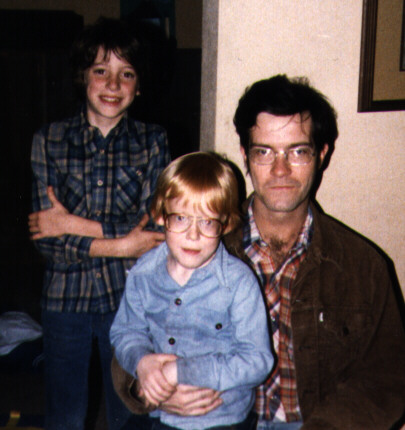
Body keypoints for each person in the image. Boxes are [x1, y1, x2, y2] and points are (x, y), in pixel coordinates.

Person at [111, 75, 405, 430]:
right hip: (207, 421)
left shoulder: (363, 266)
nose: (281, 170)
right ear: (245, 156)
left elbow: (388, 376)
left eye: (298, 151)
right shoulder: (195, 243)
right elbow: (130, 339)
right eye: (264, 152)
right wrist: (150, 389)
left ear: (321, 154)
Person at [28, 17, 170, 430]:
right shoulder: (48, 140)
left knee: (130, 413)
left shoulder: (153, 141)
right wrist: (124, 245)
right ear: (82, 77)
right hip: (64, 301)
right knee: (66, 416)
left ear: (139, 86)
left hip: (131, 300)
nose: (112, 84)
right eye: (100, 71)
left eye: (126, 74)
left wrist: (71, 223)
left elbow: (153, 230)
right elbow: (46, 239)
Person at [110, 152, 274, 430]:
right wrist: (142, 363)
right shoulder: (143, 273)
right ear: (160, 216)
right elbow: (125, 332)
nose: (193, 235)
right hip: (158, 415)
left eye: (207, 222)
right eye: (180, 218)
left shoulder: (239, 283)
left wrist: (180, 371)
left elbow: (257, 360)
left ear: (226, 223)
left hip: (222, 419)